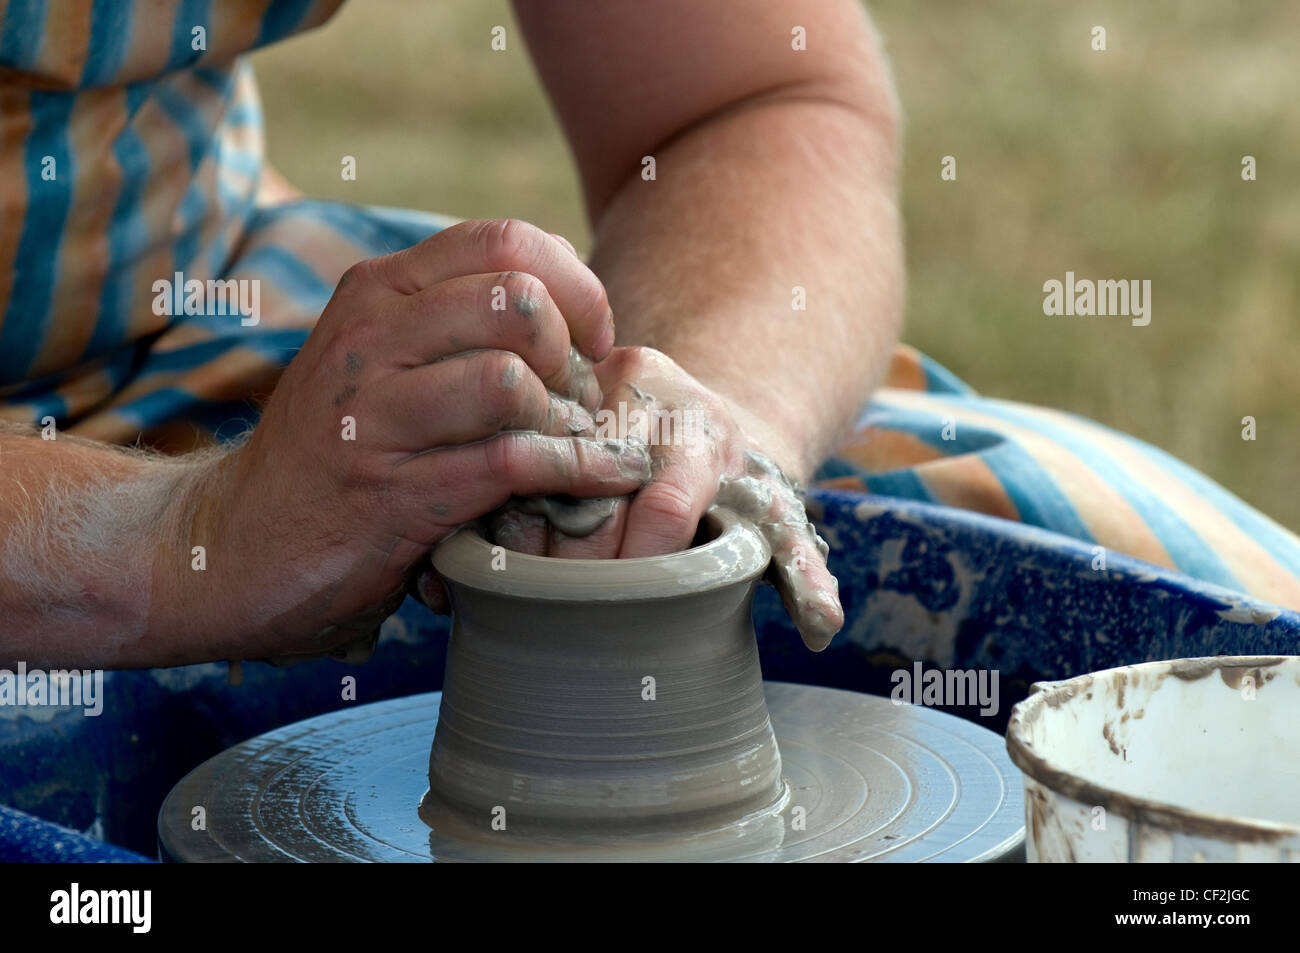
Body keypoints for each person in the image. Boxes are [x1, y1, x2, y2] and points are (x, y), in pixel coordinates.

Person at [3, 1, 1299, 674]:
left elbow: (749, 98)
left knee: (1217, 638)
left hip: (208, 303)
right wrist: (178, 548)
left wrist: (699, 424)